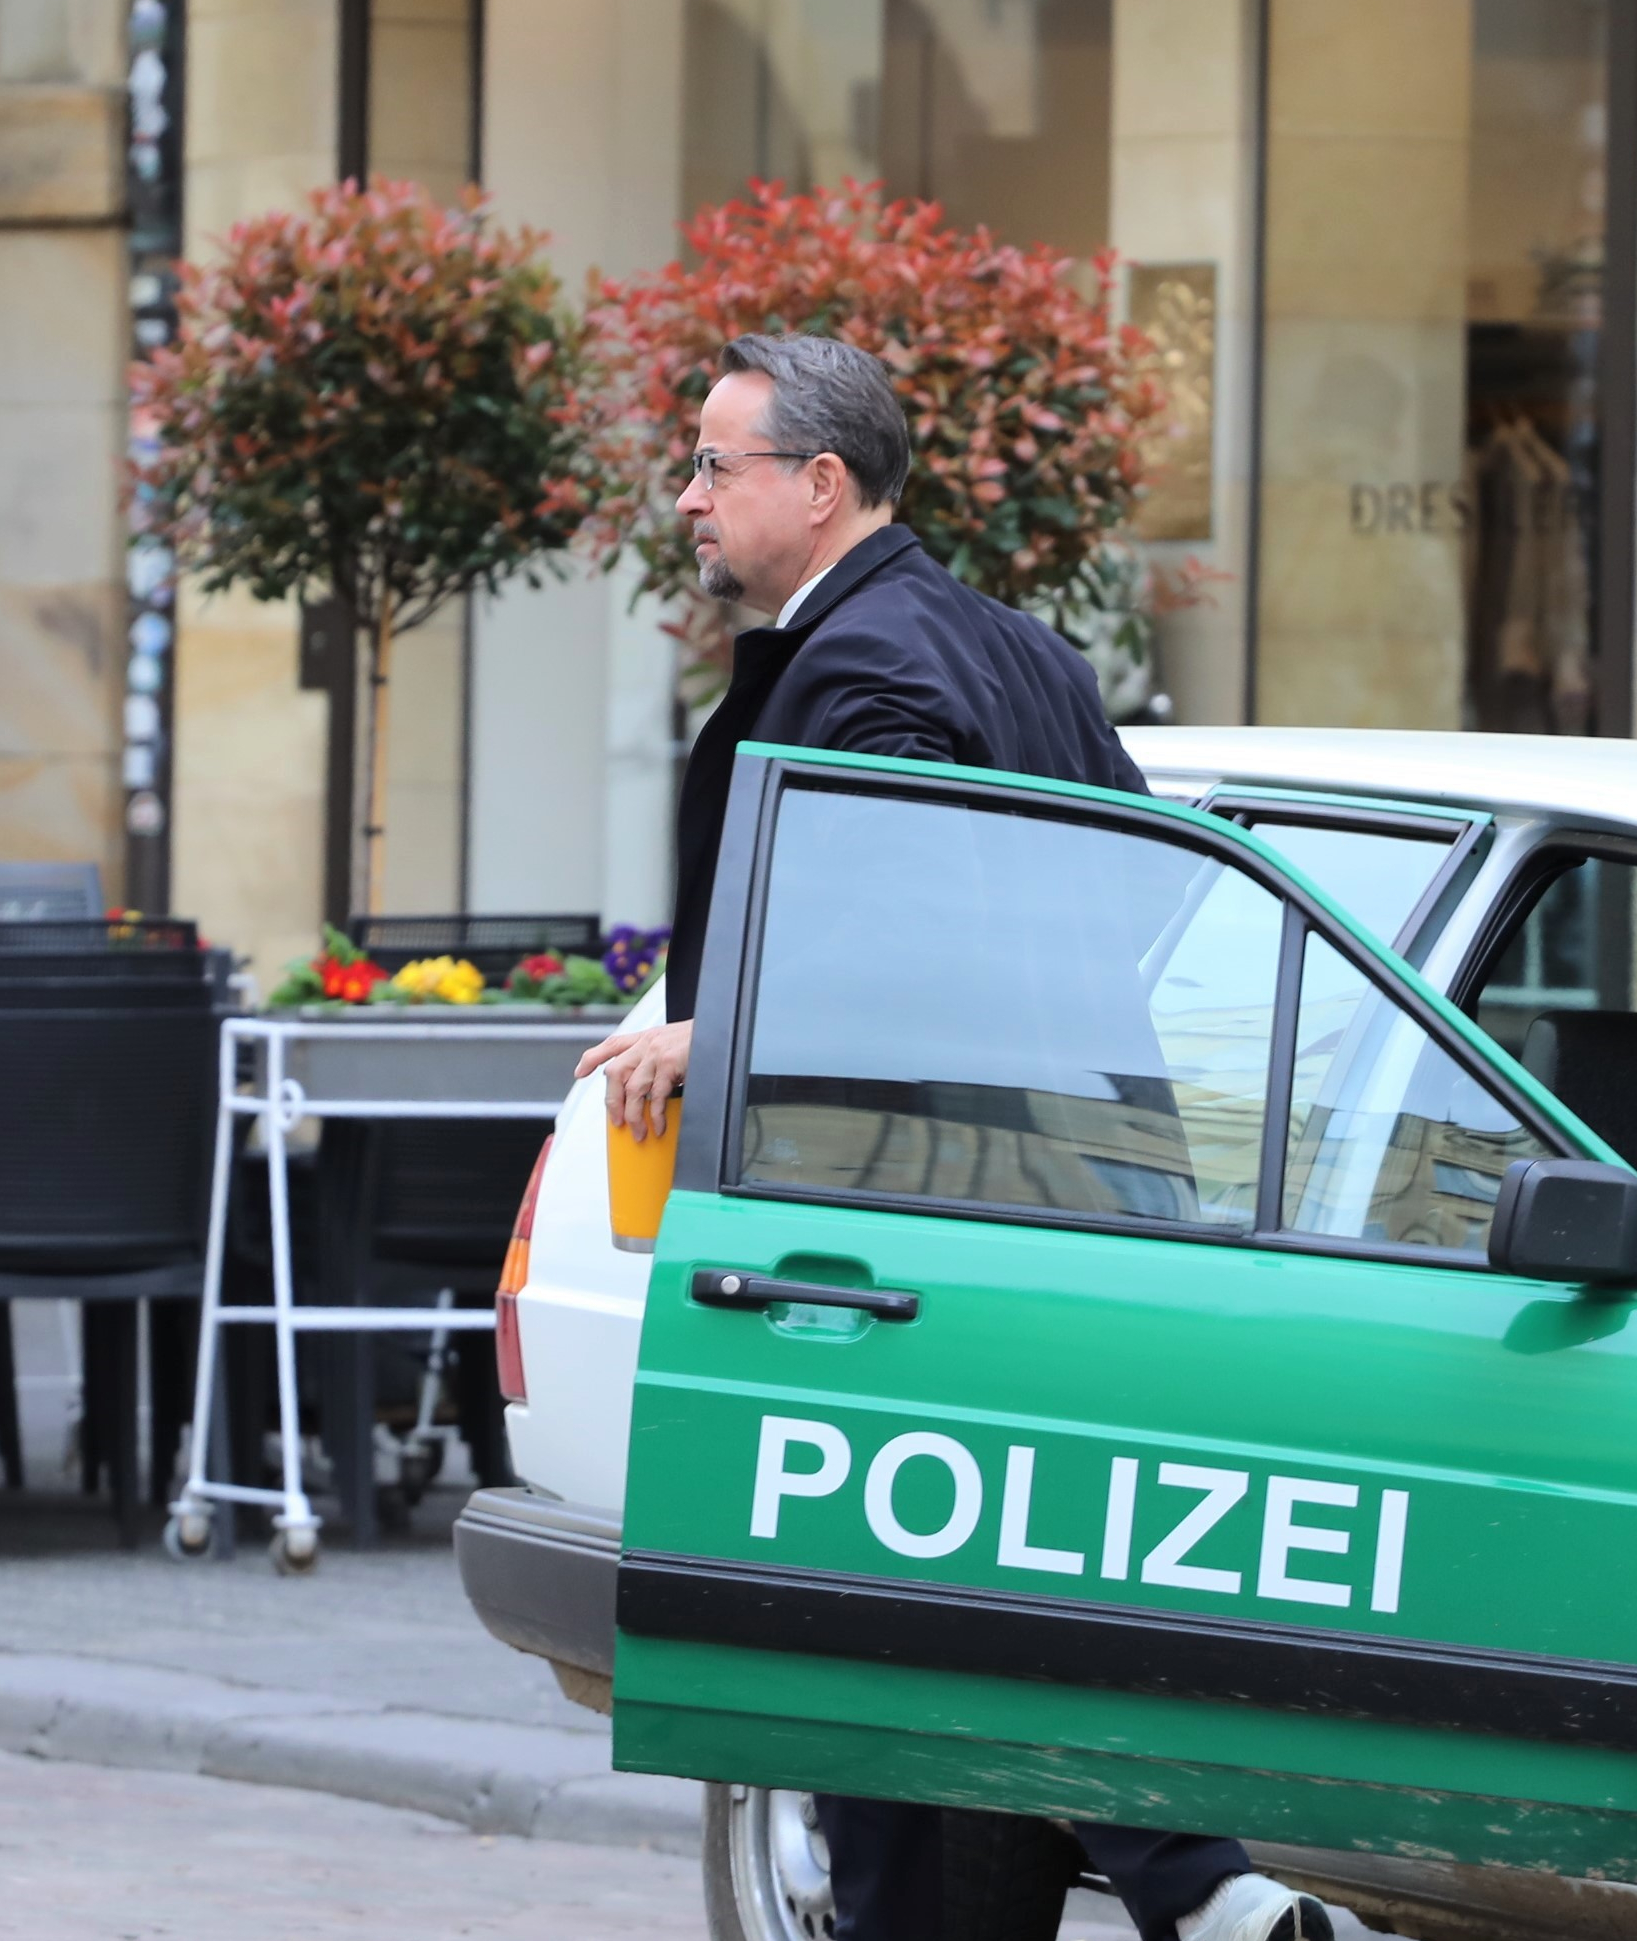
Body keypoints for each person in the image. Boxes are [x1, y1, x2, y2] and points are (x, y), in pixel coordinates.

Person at [576, 333, 1331, 1941]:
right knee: (1002, 1588)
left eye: (719, 465)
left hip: (918, 1219)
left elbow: (911, 929)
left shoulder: (870, 671)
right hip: (1092, 1183)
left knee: (884, 1616)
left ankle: (1184, 1884)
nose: (693, 497)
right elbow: (1151, 886)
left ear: (822, 484)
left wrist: (730, 1032)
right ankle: (1195, 1884)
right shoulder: (1023, 652)